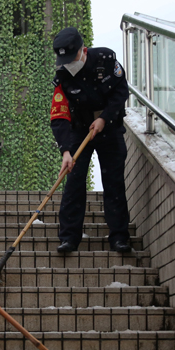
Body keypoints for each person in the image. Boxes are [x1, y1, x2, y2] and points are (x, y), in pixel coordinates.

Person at [50, 26, 132, 254]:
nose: (68, 64)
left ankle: (119, 237)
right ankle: (69, 238)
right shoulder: (62, 77)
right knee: (74, 181)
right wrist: (66, 151)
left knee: (113, 182)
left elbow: (121, 92)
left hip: (110, 127)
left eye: (72, 58)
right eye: (64, 60)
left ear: (82, 50)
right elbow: (59, 117)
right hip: (79, 131)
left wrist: (104, 118)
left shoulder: (106, 60)